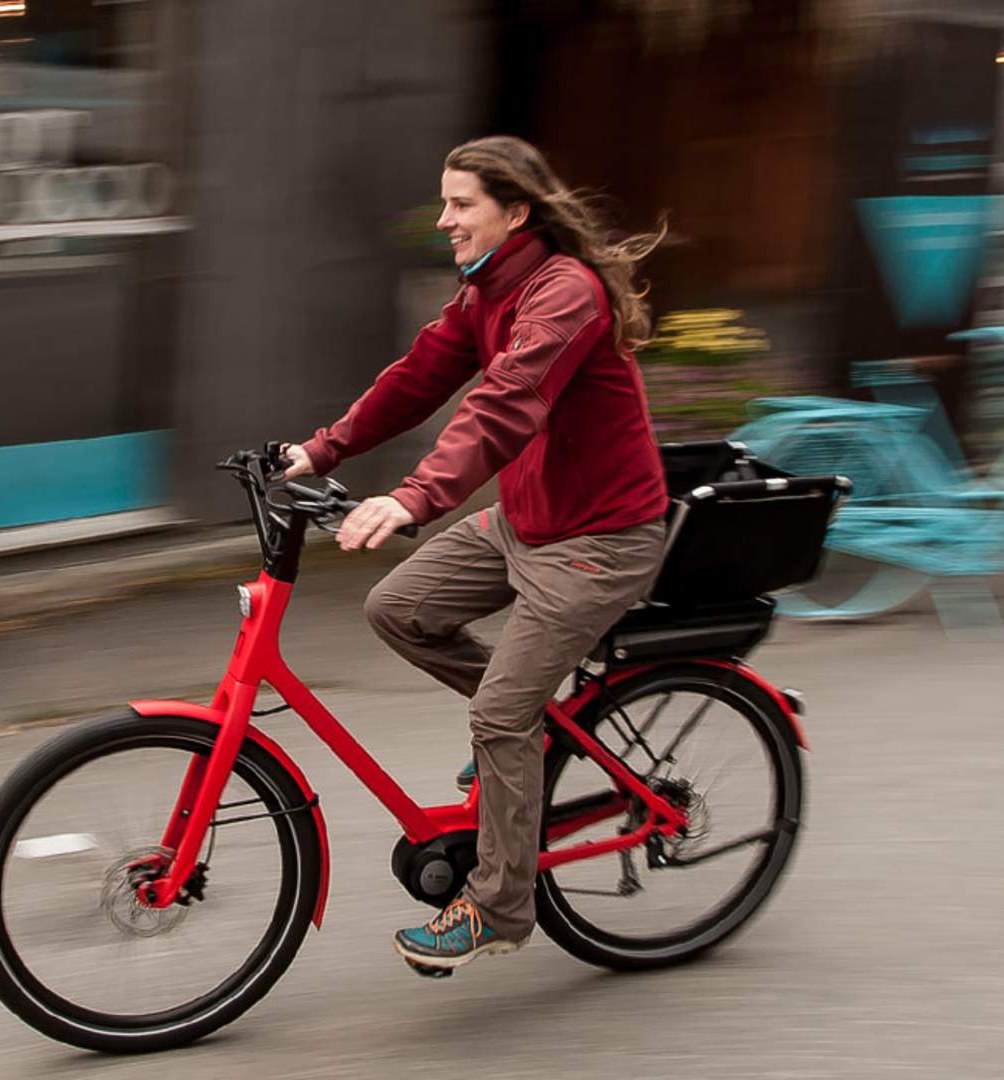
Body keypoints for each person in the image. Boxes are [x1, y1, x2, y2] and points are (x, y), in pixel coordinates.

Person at [281, 135, 670, 973]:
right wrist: (326, 449)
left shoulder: (563, 293)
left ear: (514, 211)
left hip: (601, 540)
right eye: (446, 202)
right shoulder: (485, 290)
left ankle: (498, 908)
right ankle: (525, 725)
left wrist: (413, 495)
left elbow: (504, 404)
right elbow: (420, 375)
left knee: (497, 714)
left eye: (462, 204)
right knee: (398, 609)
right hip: (529, 521)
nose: (446, 219)